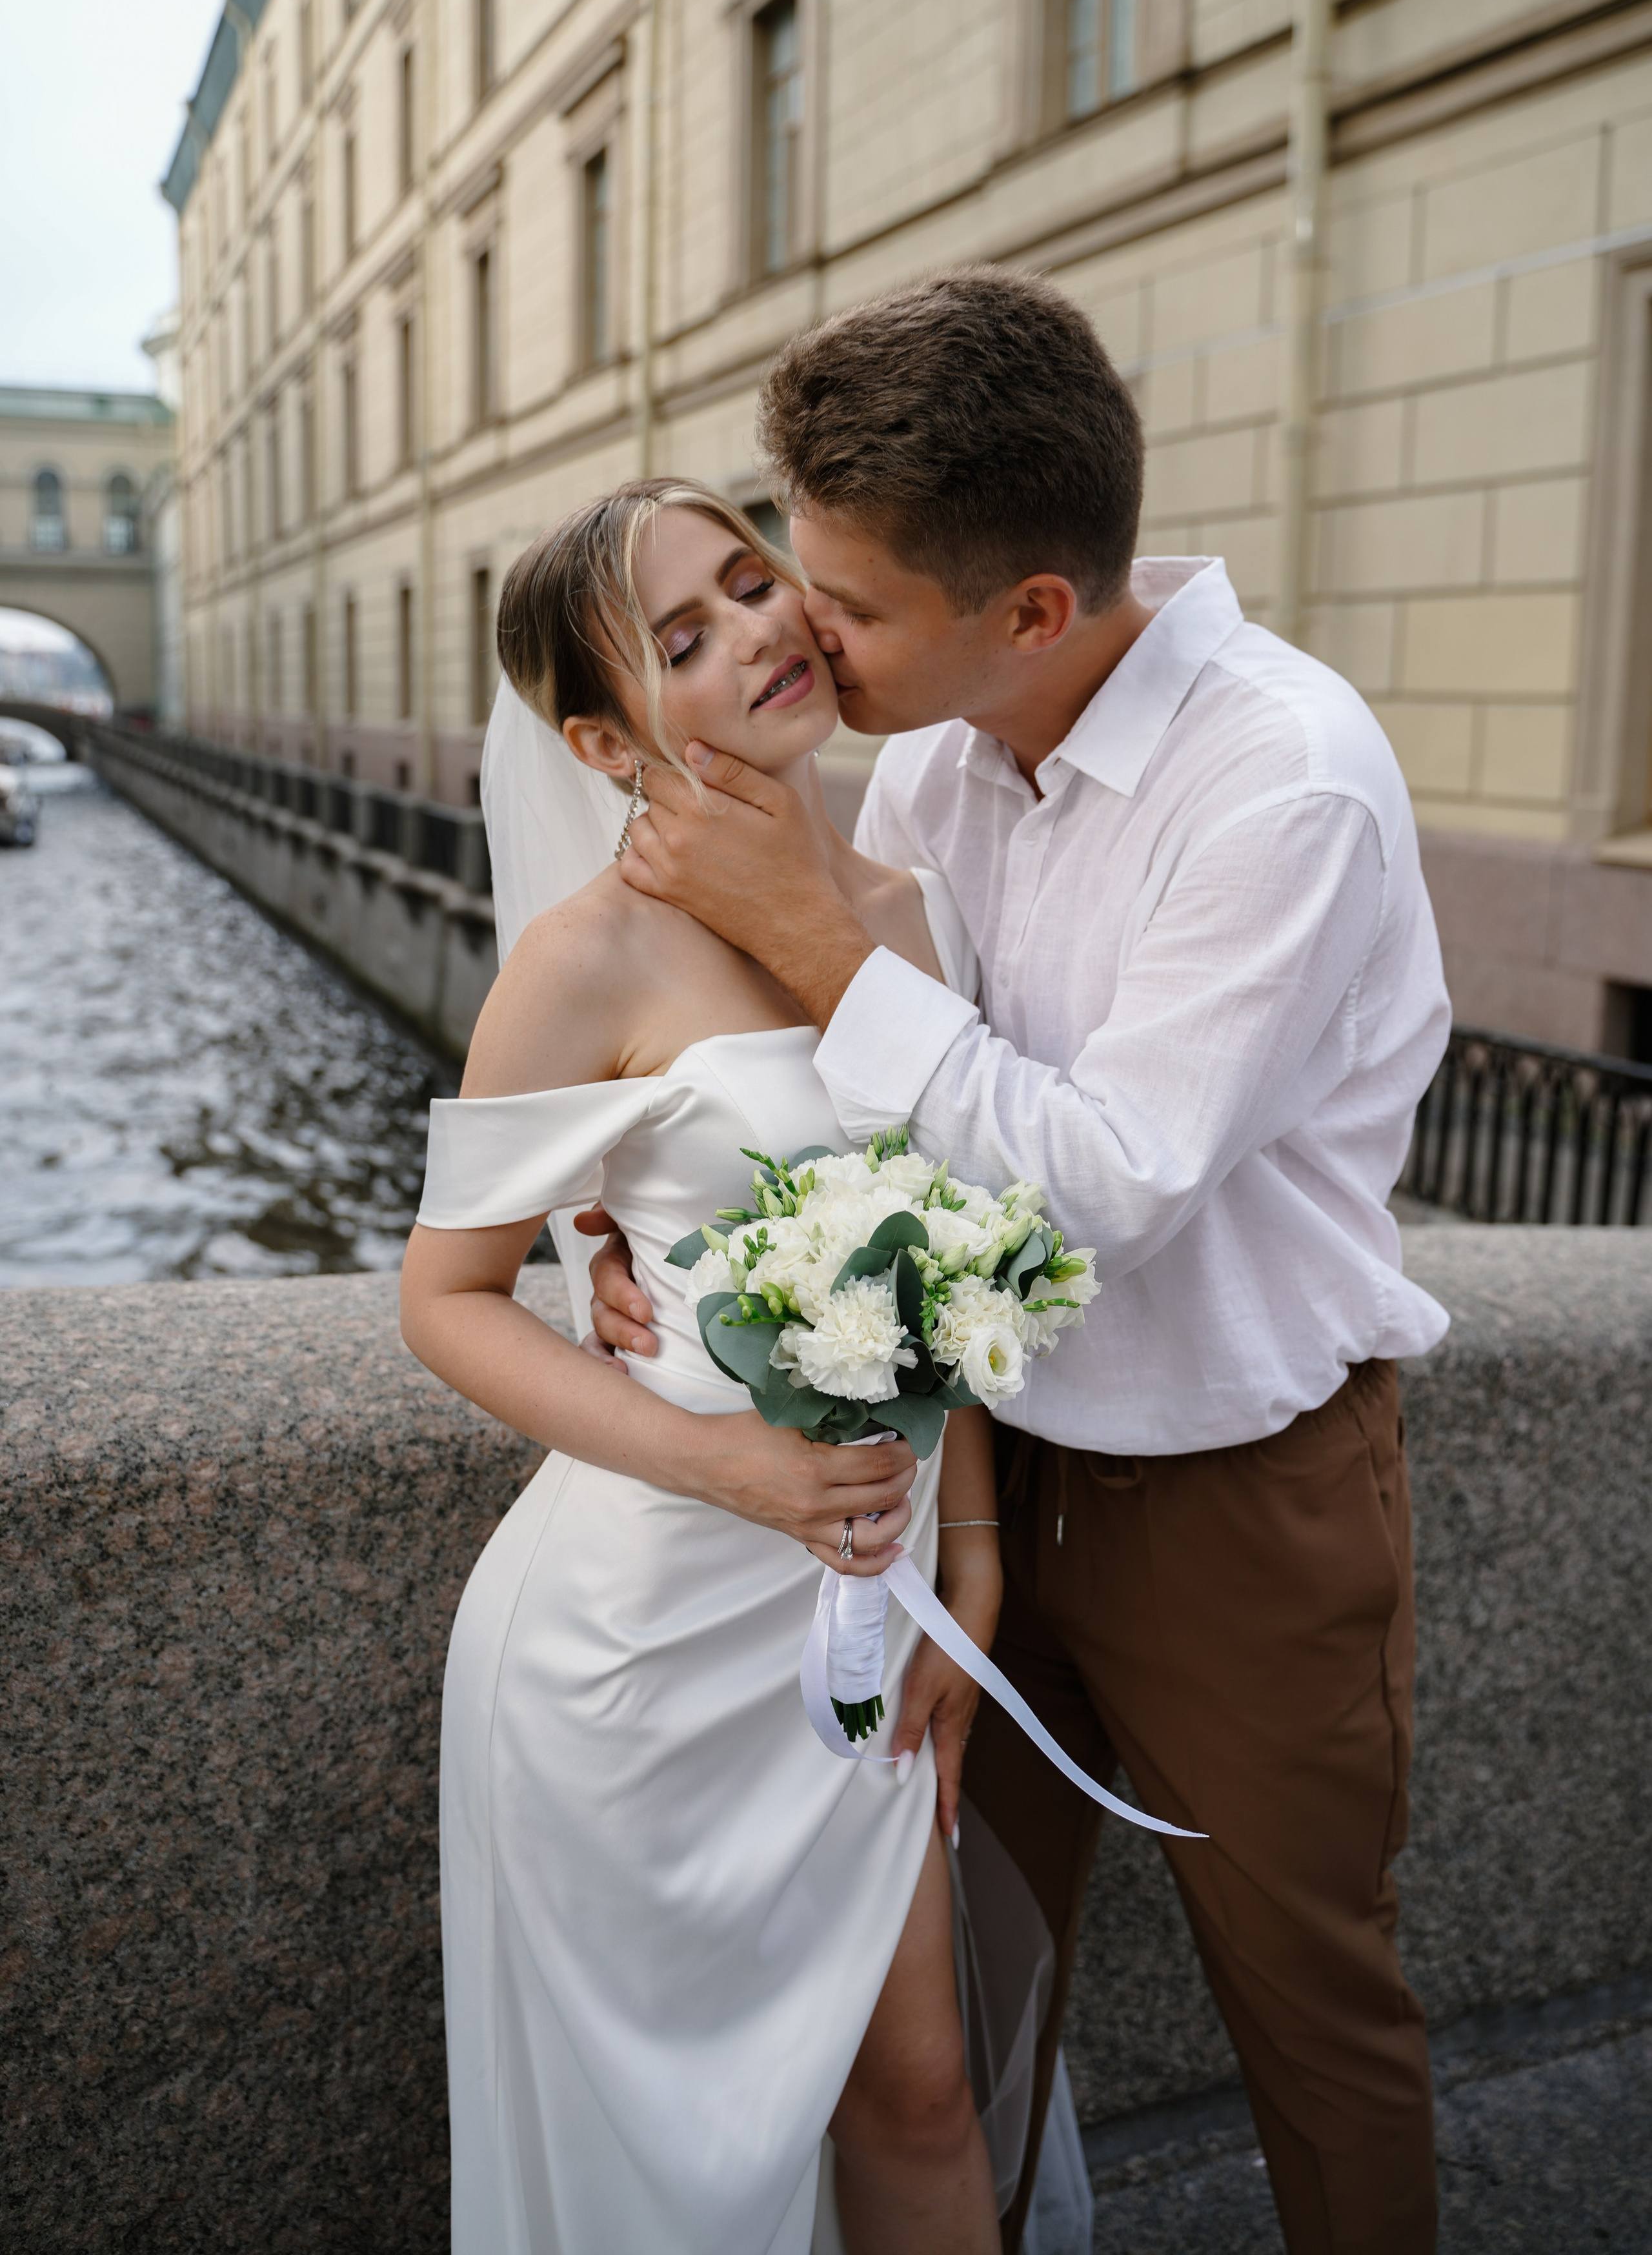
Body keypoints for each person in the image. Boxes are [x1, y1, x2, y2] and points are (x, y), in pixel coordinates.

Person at [585, 268, 1453, 2255]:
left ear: (1035, 610)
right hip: (967, 1479)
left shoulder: (1286, 779)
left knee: (1314, 2014)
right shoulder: (936, 747)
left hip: (1239, 1497)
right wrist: (607, 1213)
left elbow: (1105, 1183)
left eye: (849, 604)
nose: (805, 635)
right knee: (969, 1998)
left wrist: (814, 937)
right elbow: (837, 1092)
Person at [399, 480, 1012, 2255]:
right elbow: (447, 1299)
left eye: (754, 583)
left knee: (921, 2095)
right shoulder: (587, 956)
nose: (757, 631)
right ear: (606, 743)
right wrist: (729, 1464)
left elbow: (952, 1257)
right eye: (683, 637)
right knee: (664, 2168)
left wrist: (972, 1553)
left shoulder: (919, 907)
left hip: (865, 1609)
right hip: (638, 1648)